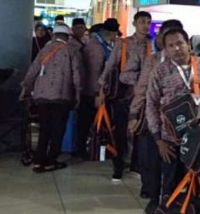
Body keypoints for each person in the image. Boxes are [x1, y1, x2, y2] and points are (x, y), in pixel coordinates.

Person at [145, 27, 200, 198]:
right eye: (170, 46)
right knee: (171, 182)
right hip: (171, 137)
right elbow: (151, 104)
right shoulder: (160, 71)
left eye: (179, 43)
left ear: (188, 44)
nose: (176, 48)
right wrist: (158, 139)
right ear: (165, 49)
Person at [127, 19, 182, 214]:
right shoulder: (154, 61)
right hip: (154, 119)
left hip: (181, 123)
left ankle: (170, 199)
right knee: (151, 160)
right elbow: (142, 89)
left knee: (173, 164)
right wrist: (134, 114)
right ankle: (152, 196)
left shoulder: (193, 62)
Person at [98, 11, 153, 181]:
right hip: (124, 91)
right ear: (135, 23)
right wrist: (101, 89)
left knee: (140, 130)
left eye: (148, 22)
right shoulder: (123, 43)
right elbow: (110, 65)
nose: (146, 25)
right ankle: (118, 165)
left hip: (144, 94)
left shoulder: (151, 45)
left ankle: (136, 164)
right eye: (142, 21)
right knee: (121, 130)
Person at [20, 24, 83, 173]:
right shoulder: (71, 51)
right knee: (58, 130)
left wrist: (25, 89)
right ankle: (50, 161)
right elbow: (77, 75)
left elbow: (32, 71)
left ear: (53, 35)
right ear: (67, 37)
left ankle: (38, 161)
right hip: (62, 96)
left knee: (44, 129)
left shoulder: (44, 50)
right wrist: (78, 93)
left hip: (42, 96)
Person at [76, 18, 119, 160]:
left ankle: (88, 149)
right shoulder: (96, 47)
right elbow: (95, 72)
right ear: (110, 33)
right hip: (91, 92)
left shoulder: (101, 44)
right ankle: (81, 150)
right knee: (86, 122)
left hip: (95, 91)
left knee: (89, 122)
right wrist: (97, 93)